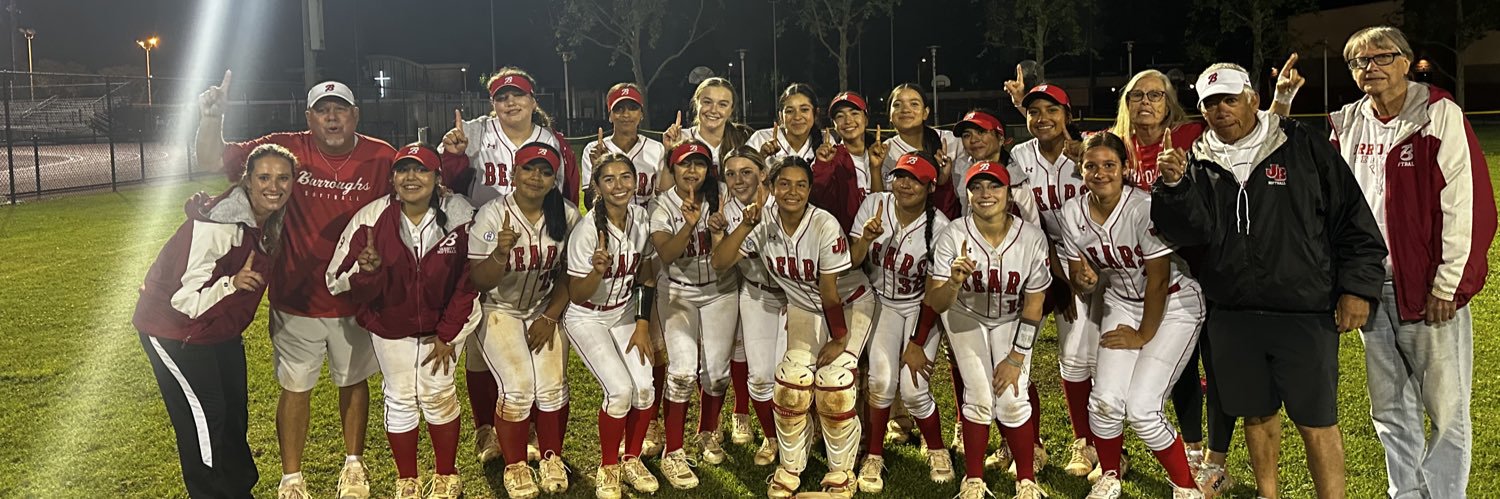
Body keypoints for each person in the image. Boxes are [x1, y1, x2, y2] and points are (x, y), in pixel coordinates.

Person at [1152, 63, 1388, 499]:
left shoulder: (1300, 144)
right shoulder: (1199, 160)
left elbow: (1353, 220)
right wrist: (1173, 188)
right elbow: (1190, 234)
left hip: (1302, 309)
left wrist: (1358, 287)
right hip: (1233, 312)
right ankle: (1268, 494)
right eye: (1210, 102)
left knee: (1317, 419)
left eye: (1229, 98)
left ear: (1253, 99)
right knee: (1255, 414)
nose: (1220, 110)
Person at [196, 74, 392, 499]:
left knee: (353, 381)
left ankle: (354, 466)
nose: (332, 117)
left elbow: (416, 194)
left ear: (355, 115)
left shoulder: (381, 157)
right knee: (295, 386)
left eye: (341, 109)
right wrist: (211, 118)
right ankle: (292, 477)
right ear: (309, 118)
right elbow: (213, 160)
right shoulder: (288, 149)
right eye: (323, 111)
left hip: (353, 297)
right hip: (295, 295)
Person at [1327, 26, 1495, 499]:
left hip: (1425, 287)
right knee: (1390, 410)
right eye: (1359, 62)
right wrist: (1347, 282)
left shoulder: (1439, 114)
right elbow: (1336, 211)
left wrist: (1448, 285)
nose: (1370, 68)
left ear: (1406, 61)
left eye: (1382, 57)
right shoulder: (1347, 123)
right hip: (1369, 288)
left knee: (1445, 411)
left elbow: (1465, 204)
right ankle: (1406, 494)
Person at [135, 144, 296, 498]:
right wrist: (231, 283)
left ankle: (239, 492)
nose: (274, 186)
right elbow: (183, 299)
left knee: (233, 415)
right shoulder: (219, 225)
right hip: (175, 329)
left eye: (283, 177)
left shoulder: (268, 221)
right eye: (264, 177)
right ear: (247, 181)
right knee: (206, 419)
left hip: (219, 328)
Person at [711, 156, 877, 499]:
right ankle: (790, 464)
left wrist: (840, 339)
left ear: (810, 189)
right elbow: (720, 262)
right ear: (770, 187)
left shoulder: (823, 224)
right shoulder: (762, 219)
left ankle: (840, 472)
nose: (793, 191)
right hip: (805, 306)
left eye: (801, 185)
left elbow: (830, 291)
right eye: (783, 184)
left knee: (833, 385)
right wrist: (744, 226)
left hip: (848, 305)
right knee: (790, 385)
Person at [441, 67, 580, 464]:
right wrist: (453, 156)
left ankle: (532, 426)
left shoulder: (552, 142)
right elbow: (447, 182)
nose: (510, 103)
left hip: (536, 248)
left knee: (542, 362)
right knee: (480, 350)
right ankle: (485, 427)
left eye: (518, 95)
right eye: (502, 97)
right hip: (481, 235)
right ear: (492, 104)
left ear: (534, 101)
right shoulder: (473, 132)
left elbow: (566, 198)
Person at [326, 144, 480, 499]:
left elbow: (471, 279)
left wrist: (448, 334)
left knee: (438, 394)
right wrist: (369, 272)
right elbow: (337, 279)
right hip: (391, 326)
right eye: (403, 170)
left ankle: (446, 474)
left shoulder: (459, 212)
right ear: (393, 178)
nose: (412, 177)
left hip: (445, 325)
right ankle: (406, 479)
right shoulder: (371, 217)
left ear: (437, 177)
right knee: (400, 398)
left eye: (422, 170)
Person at [1059, 132, 1206, 499]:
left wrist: (1141, 336)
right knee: (1105, 398)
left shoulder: (1144, 206)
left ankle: (1187, 488)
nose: (1100, 172)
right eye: (1091, 165)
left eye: (1110, 164)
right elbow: (1081, 278)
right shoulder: (1072, 211)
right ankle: (1110, 475)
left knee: (1142, 409)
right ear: (1080, 169)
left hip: (1174, 304)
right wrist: (1084, 281)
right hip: (1122, 300)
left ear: (1126, 168)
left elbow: (1157, 281)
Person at [925, 160, 1052, 499]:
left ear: (1009, 194)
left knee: (1012, 399)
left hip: (1012, 320)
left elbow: (1034, 305)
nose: (985, 194)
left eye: (994, 186)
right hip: (965, 315)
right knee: (980, 397)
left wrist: (1016, 356)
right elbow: (937, 303)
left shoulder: (1032, 238)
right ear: (967, 194)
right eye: (977, 187)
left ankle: (1026, 480)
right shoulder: (954, 234)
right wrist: (953, 282)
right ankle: (974, 480)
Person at [466, 142, 580, 498]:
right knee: (517, 388)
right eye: (529, 168)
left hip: (543, 306)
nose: (536, 177)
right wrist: (500, 253)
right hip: (497, 309)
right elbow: (478, 281)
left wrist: (550, 315)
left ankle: (550, 457)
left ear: (554, 179)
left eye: (545, 171)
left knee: (552, 388)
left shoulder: (568, 214)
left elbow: (571, 276)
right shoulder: (491, 214)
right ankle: (515, 465)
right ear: (513, 173)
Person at [1003, 84, 1095, 479]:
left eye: (1051, 110)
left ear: (1068, 115)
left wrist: (1075, 272)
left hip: (1093, 262)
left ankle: (1089, 444)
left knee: (1079, 358)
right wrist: (1060, 273)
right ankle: (1027, 445)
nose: (1042, 118)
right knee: (1012, 354)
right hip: (1042, 263)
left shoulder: (1090, 150)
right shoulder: (1020, 156)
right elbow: (1026, 219)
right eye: (1033, 111)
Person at [851, 152, 956, 492]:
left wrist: (916, 343)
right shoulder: (874, 205)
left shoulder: (939, 226)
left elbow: (932, 290)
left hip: (920, 308)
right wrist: (865, 239)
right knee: (881, 381)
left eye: (915, 179)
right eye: (900, 176)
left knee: (913, 387)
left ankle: (937, 449)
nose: (905, 184)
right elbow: (852, 261)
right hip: (882, 303)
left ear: (929, 186)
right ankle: (875, 455)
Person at [564, 153, 662, 499]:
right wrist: (596, 271)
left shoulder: (640, 216)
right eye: (609, 179)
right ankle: (608, 466)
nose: (618, 185)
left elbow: (647, 272)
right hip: (587, 315)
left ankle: (632, 457)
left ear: (636, 182)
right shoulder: (586, 231)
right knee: (620, 391)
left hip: (623, 312)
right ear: (597, 187)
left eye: (625, 177)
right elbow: (576, 293)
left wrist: (641, 322)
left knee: (645, 388)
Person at [649, 140, 739, 488]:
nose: (692, 171)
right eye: (685, 164)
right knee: (683, 372)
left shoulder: (723, 199)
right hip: (678, 292)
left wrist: (722, 230)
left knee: (716, 374)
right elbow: (668, 254)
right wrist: (689, 225)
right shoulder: (662, 206)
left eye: (699, 164)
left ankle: (706, 432)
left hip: (720, 291)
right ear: (672, 169)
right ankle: (673, 450)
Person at [717, 147, 786, 466]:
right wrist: (719, 232)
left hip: (794, 297)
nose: (738, 179)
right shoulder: (725, 210)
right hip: (756, 294)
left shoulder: (784, 201)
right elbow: (721, 262)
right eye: (730, 173)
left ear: (762, 173)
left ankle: (800, 434)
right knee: (760, 377)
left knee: (794, 376)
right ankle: (773, 439)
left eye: (746, 171)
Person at [808, 91, 891, 232]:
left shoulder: (885, 153)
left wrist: (875, 168)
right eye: (840, 116)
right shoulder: (829, 159)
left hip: (884, 237)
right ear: (834, 124)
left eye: (854, 113)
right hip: (846, 242)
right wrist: (822, 166)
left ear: (866, 119)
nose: (847, 121)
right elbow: (816, 200)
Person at [879, 83, 961, 218]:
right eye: (897, 105)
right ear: (889, 115)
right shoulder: (884, 151)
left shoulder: (951, 141)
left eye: (914, 104)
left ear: (925, 113)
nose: (905, 109)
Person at [581, 83, 665, 208]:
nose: (626, 114)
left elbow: (663, 196)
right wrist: (597, 169)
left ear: (641, 114)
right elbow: (590, 205)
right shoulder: (594, 150)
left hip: (648, 223)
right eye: (619, 109)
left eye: (632, 108)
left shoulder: (657, 149)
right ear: (610, 115)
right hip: (610, 224)